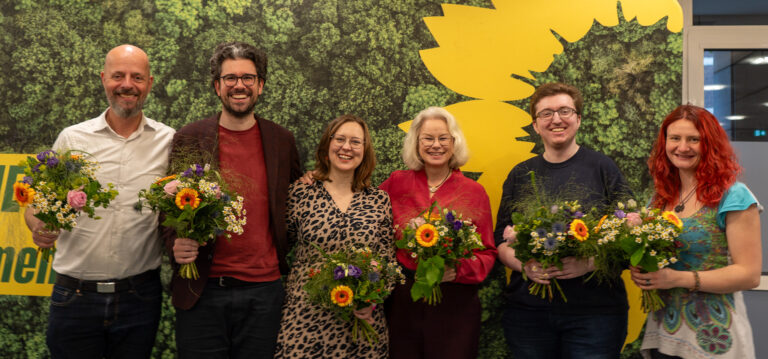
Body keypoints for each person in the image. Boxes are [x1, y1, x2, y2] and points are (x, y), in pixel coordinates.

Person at [24, 44, 174, 358]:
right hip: (74, 296)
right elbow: (36, 203)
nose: (127, 84)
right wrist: (38, 226)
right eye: (118, 76)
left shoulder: (169, 141)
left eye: (137, 77)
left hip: (140, 298)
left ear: (150, 82)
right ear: (103, 79)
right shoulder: (72, 138)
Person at [167, 41, 302, 358]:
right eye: (230, 78)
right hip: (202, 290)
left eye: (248, 78)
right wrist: (175, 240)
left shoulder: (282, 140)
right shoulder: (189, 136)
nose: (239, 85)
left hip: (264, 293)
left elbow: (296, 201)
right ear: (217, 86)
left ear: (260, 86)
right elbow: (168, 205)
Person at [494, 82, 631, 358]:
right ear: (536, 125)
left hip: (596, 315)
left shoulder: (603, 168)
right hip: (529, 314)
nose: (556, 119)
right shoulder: (521, 174)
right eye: (546, 113)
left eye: (565, 111)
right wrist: (526, 266)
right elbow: (500, 241)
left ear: (578, 119)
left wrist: (589, 263)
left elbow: (629, 237)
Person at [630, 105, 761, 359]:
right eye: (675, 138)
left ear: (710, 144)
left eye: (694, 139)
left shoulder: (734, 196)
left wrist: (677, 279)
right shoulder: (659, 199)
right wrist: (642, 269)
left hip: (713, 338)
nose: (682, 147)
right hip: (664, 334)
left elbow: (749, 275)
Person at [381, 106, 497, 359]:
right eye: (428, 138)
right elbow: (363, 209)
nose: (436, 145)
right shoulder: (396, 183)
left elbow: (487, 253)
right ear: (416, 142)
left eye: (443, 138)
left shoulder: (473, 192)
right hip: (404, 302)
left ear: (454, 143)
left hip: (455, 305)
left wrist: (457, 270)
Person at [274, 115, 394, 358]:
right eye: (339, 139)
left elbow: (387, 263)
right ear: (327, 145)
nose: (346, 147)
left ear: (365, 150)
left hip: (361, 323)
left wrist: (371, 299)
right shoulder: (300, 192)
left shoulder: (379, 199)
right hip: (305, 320)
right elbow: (276, 248)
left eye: (355, 142)